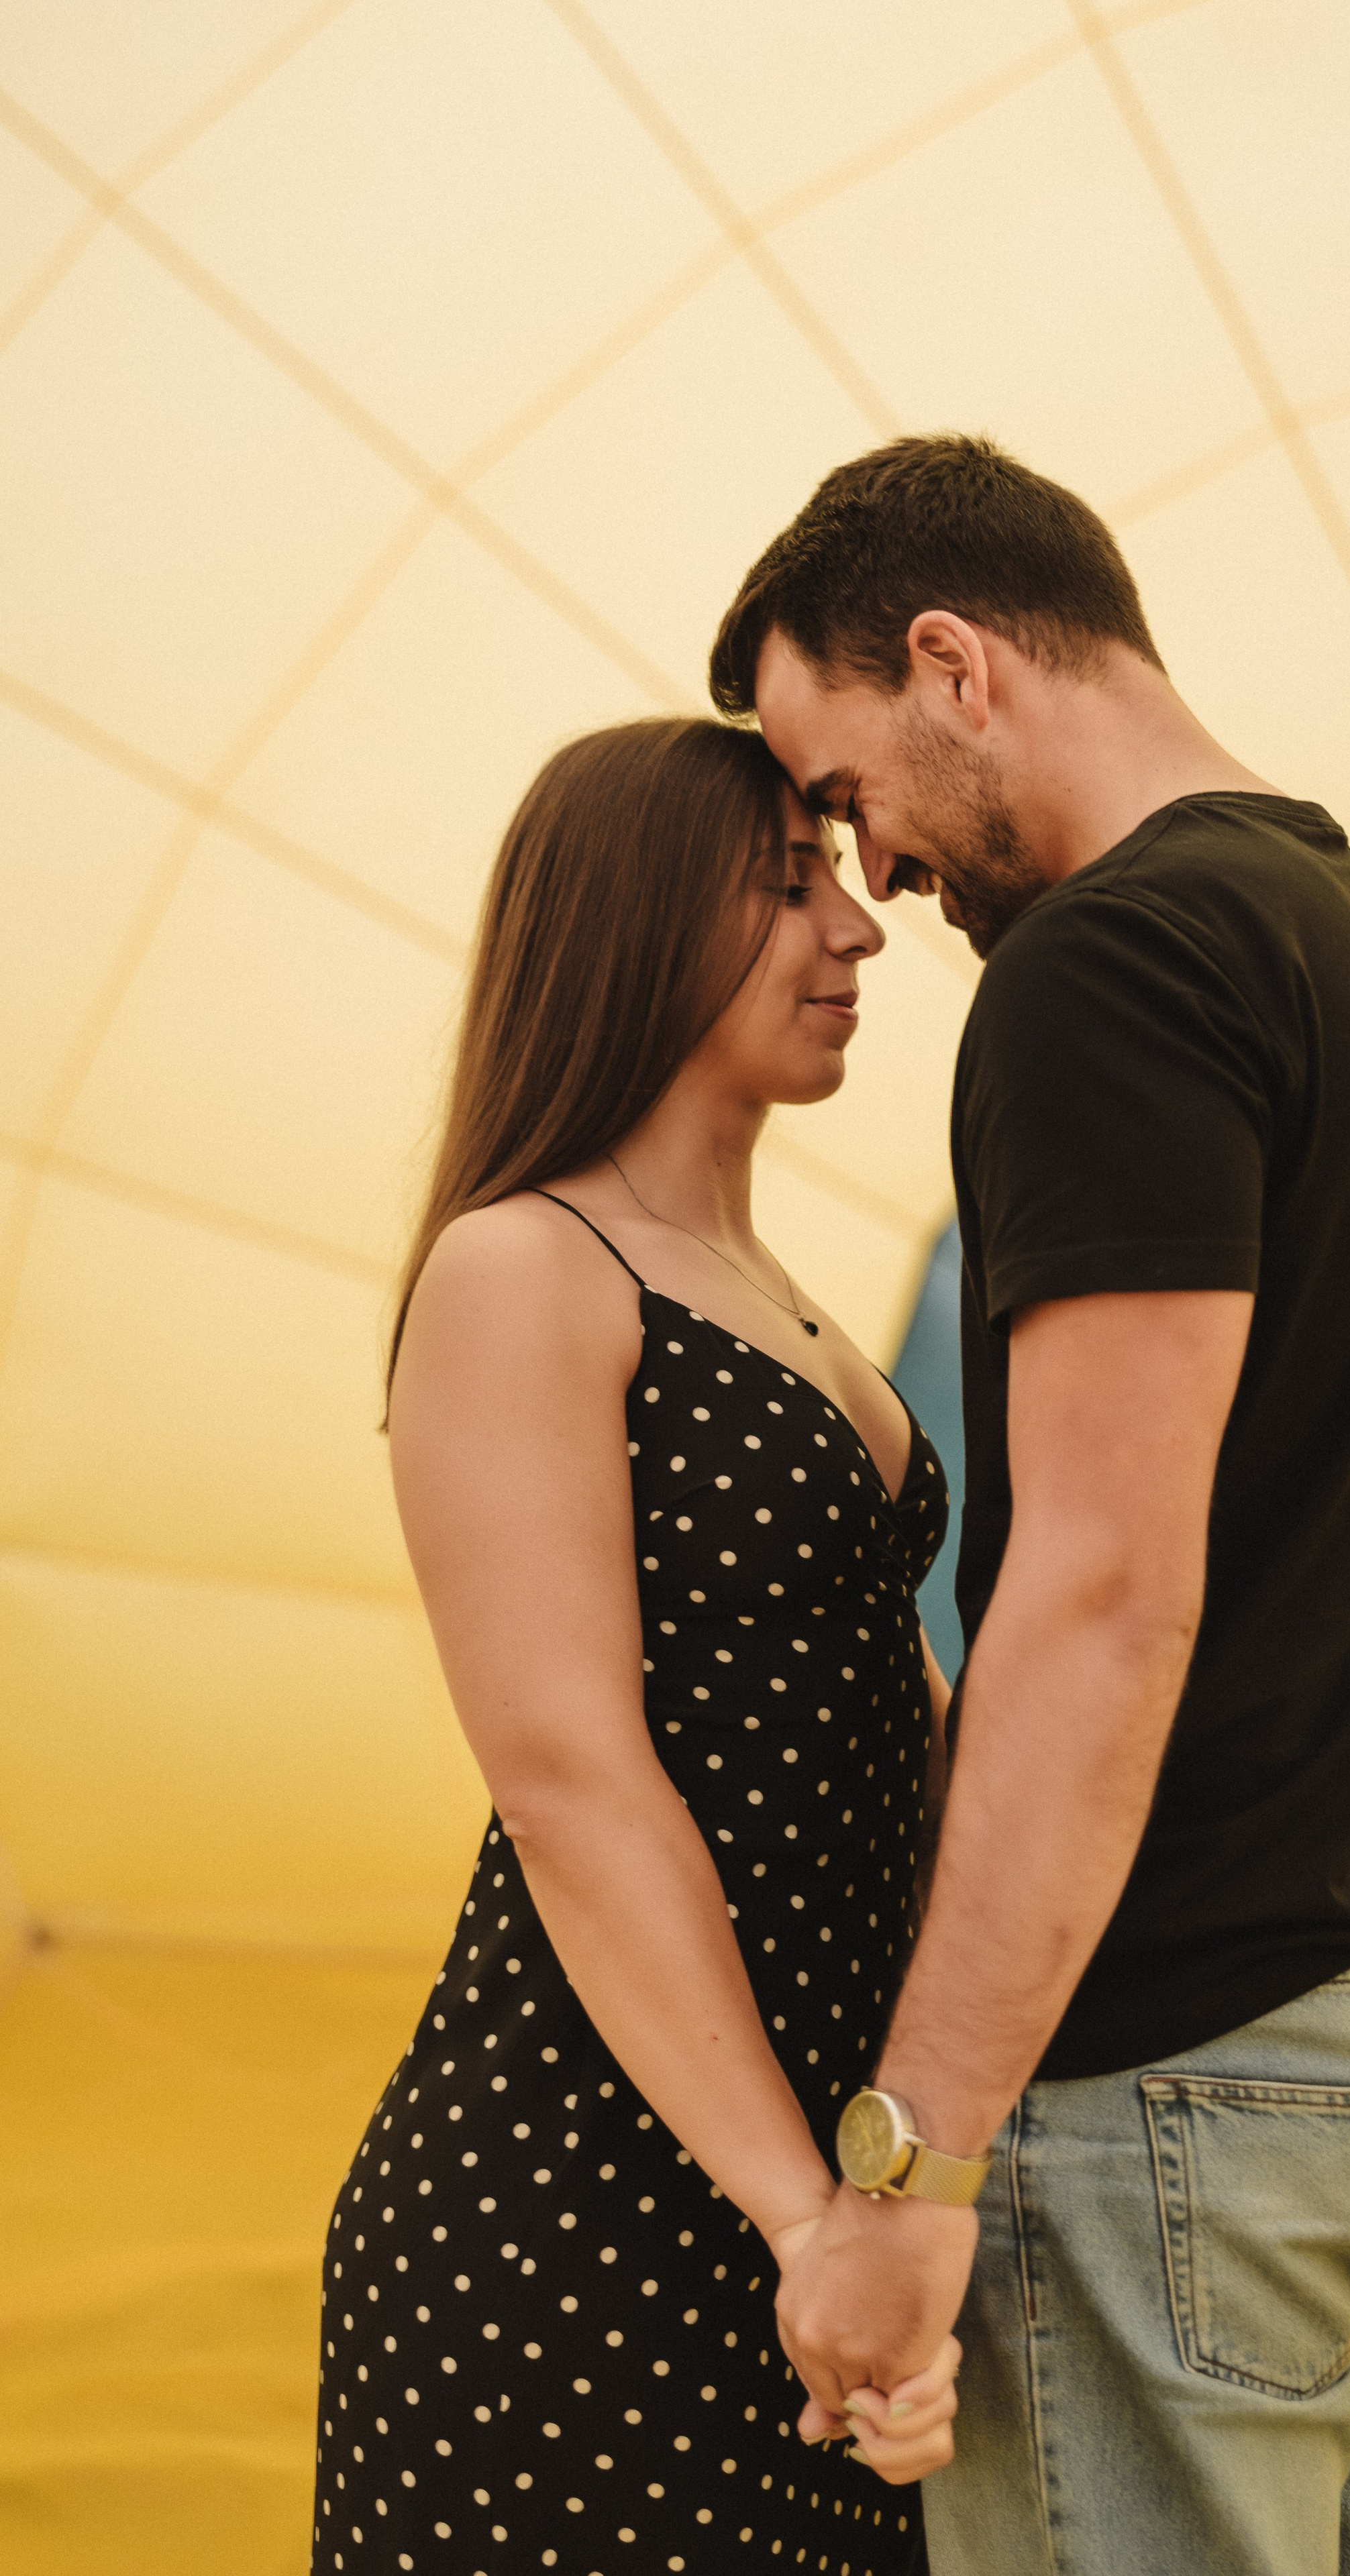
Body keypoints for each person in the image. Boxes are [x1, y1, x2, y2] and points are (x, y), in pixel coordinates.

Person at [709, 435, 1350, 2576]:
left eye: (843, 788)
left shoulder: (1113, 970)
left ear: (955, 664)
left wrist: (907, 2168)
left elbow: (1095, 1599)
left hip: (1182, 2084)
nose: (868, 875)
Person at [311, 716, 964, 2576]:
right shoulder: (525, 1269)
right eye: (786, 891)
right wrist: (809, 2224)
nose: (855, 930)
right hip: (591, 2223)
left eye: (840, 878)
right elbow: (572, 1785)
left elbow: (889, 1714)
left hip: (819, 2208)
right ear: (631, 931)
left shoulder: (776, 1292)